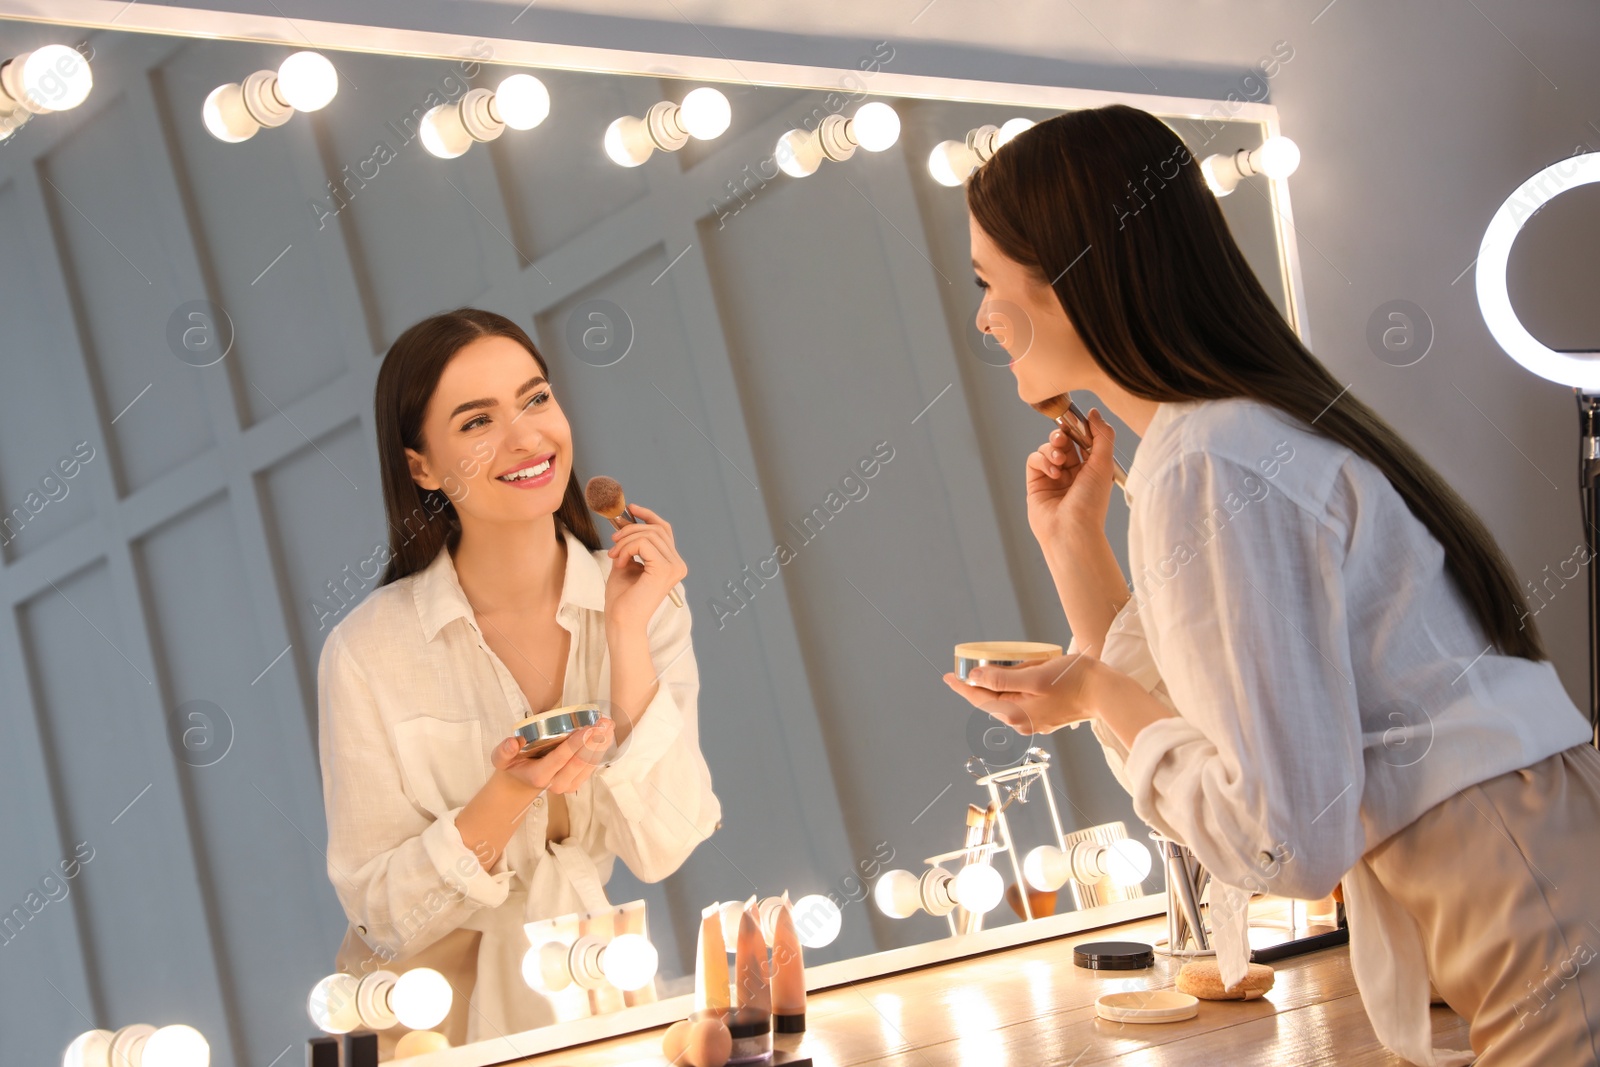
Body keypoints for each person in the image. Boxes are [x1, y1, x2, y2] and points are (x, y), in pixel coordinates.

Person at [942, 104, 1599, 1067]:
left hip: (1513, 884)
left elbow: (1283, 842)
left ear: (1078, 279)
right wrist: (1072, 540)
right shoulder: (1222, 437)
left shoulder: (1207, 460)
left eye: (988, 281)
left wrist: (1092, 691)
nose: (982, 316)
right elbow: (1237, 724)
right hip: (1522, 857)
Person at [316, 307, 720, 1050]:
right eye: (476, 422)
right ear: (422, 467)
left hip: (587, 997)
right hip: (422, 1033)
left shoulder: (644, 600)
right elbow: (381, 914)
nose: (526, 436)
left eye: (535, 399)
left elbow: (664, 842)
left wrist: (625, 632)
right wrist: (507, 793)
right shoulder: (366, 651)